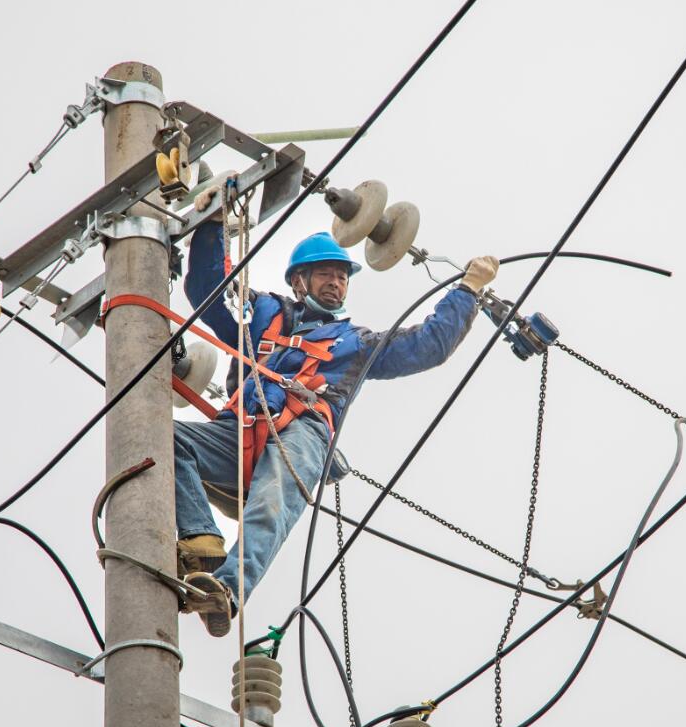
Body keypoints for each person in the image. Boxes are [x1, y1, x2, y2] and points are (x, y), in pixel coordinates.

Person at [174, 184, 499, 636]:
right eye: (325, 273)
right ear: (298, 281)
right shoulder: (262, 313)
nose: (336, 282)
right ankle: (202, 544)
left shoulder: (356, 344)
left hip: (301, 434)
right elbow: (209, 286)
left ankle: (225, 591)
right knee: (161, 436)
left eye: (341, 275)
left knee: (273, 503)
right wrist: (210, 224)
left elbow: (430, 345)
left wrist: (468, 290)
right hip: (241, 429)